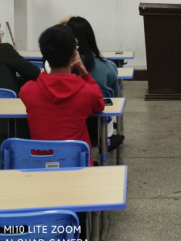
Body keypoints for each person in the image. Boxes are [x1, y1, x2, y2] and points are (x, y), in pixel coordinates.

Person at [19, 25, 105, 166]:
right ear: (74, 54)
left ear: (45, 55)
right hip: (77, 166)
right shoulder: (87, 92)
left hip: (39, 167)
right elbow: (100, 105)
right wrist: (83, 70)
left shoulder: (27, 90)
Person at [66, 16, 124, 151]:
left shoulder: (56, 71)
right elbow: (114, 99)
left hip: (64, 132)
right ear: (91, 38)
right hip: (98, 132)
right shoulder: (108, 67)